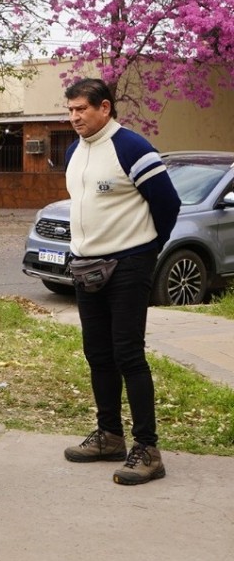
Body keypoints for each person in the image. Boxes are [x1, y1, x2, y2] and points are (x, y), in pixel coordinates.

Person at [61, 78, 180, 485]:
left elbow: (168, 203)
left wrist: (147, 249)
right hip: (85, 266)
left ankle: (148, 450)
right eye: (71, 109)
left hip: (129, 263)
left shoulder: (132, 148)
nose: (75, 116)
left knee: (128, 353)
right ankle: (109, 436)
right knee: (98, 353)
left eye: (82, 109)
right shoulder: (74, 150)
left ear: (105, 108)